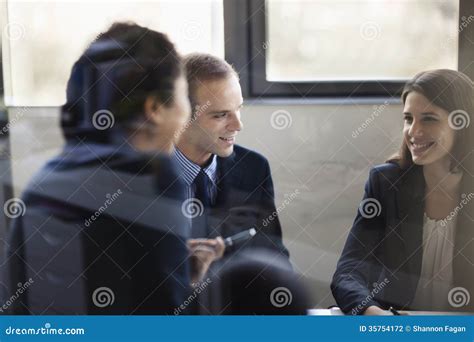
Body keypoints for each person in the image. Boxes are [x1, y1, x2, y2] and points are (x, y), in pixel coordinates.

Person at [4, 22, 192, 314]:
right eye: (185, 97)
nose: (187, 113)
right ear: (154, 108)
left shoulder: (44, 181)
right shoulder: (153, 176)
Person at [331, 69, 474, 315]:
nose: (413, 131)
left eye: (429, 119)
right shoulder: (386, 183)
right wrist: (371, 311)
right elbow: (349, 270)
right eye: (408, 119)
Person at [174, 53, 291, 283]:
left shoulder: (254, 169)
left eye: (238, 109)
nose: (238, 125)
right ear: (182, 115)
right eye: (220, 115)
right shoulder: (139, 175)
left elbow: (275, 258)